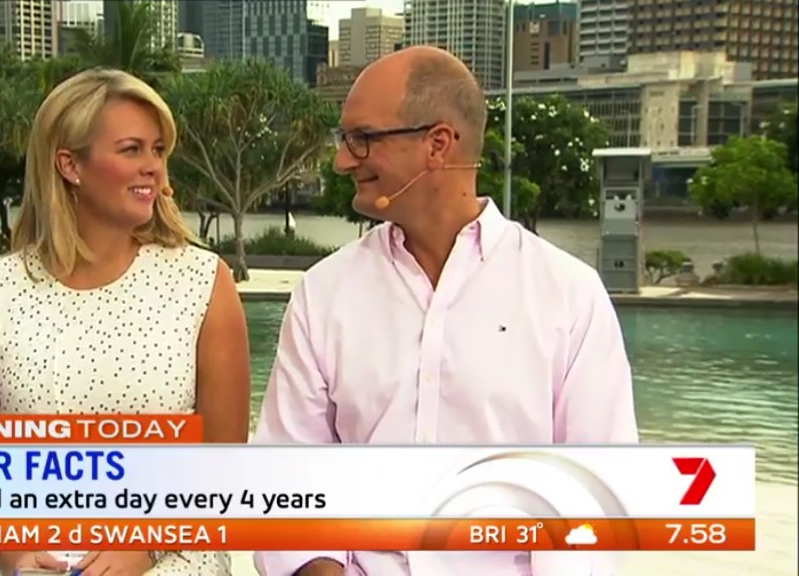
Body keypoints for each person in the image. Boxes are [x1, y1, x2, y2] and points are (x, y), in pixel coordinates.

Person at [253, 46, 638, 576]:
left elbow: (594, 502)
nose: (342, 160)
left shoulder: (569, 295)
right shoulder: (322, 294)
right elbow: (285, 480)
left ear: (437, 144)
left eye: (362, 138)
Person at [0, 68, 251, 576]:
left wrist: (139, 551)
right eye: (132, 149)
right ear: (70, 165)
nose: (153, 167)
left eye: (158, 150)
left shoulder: (202, 283)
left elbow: (223, 465)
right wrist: (19, 558)